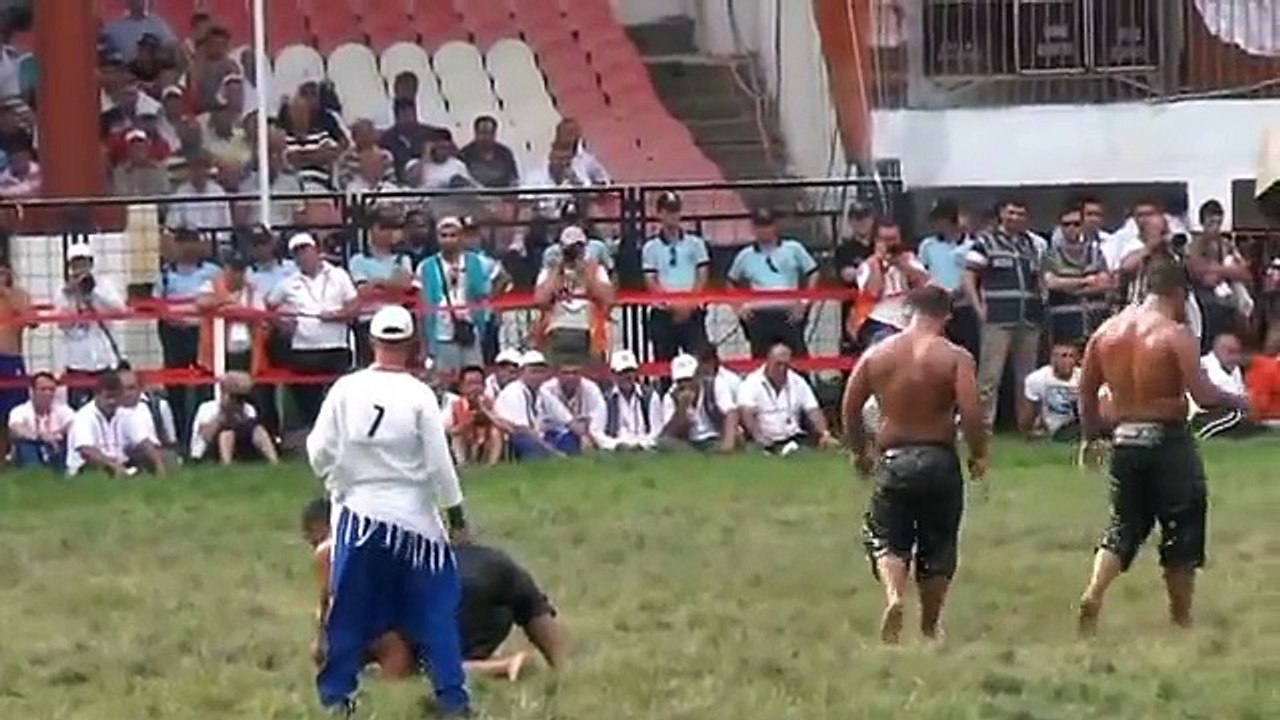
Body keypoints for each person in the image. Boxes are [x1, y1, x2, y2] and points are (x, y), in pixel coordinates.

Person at [305, 305, 472, 718]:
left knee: (349, 610)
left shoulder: (345, 390)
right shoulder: (419, 395)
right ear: (412, 344)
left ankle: (337, 697)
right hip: (414, 519)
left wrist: (338, 477)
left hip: (359, 516)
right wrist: (456, 516)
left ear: (373, 341)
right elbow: (439, 464)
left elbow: (318, 452)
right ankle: (452, 697)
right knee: (436, 609)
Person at [1075, 259, 1249, 637]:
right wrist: (1236, 401)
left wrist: (1092, 436)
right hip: (1167, 438)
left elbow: (1085, 392)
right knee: (1181, 527)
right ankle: (1181, 618)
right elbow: (1202, 394)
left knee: (1124, 524)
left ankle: (1095, 591)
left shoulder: (1106, 332)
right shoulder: (1175, 334)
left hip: (1125, 438)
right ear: (1180, 293)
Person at [840, 286, 987, 644]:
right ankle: (930, 625)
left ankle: (894, 596)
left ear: (907, 312)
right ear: (947, 316)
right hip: (938, 458)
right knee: (938, 545)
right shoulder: (955, 357)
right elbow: (970, 410)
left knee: (888, 537)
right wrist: (978, 453)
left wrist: (860, 450)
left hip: (894, 458)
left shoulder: (878, 354)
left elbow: (849, 406)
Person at [302, 498, 567, 682]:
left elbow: (392, 661)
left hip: (444, 597)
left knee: (421, 674)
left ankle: (503, 667)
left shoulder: (338, 556)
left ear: (322, 530)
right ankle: (564, 667)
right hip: (487, 563)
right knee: (526, 602)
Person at [737, 343, 838, 454]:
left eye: (786, 365)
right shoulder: (751, 383)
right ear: (768, 361)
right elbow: (746, 413)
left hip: (793, 436)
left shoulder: (797, 381)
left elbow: (813, 410)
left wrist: (824, 433)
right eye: (778, 364)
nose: (782, 369)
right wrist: (758, 436)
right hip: (765, 440)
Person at [66, 370, 167, 477]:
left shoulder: (124, 413)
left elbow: (143, 441)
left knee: (160, 456)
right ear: (97, 395)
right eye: (108, 397)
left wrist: (159, 465)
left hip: (120, 464)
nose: (112, 402)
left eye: (115, 397)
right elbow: (86, 450)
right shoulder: (84, 416)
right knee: (96, 469)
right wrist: (112, 465)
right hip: (88, 468)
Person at [189, 372, 279, 465]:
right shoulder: (207, 408)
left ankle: (274, 461)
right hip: (211, 450)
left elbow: (251, 432)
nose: (239, 402)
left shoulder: (248, 409)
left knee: (258, 429)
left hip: (241, 448)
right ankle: (227, 465)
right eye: (234, 397)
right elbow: (206, 437)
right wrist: (223, 414)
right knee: (227, 433)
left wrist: (241, 415)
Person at [1190, 333, 1258, 439]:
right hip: (1206, 413)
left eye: (1237, 352)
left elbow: (1239, 392)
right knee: (1237, 416)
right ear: (1217, 350)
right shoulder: (1204, 365)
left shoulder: (1234, 369)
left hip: (1229, 412)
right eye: (1230, 352)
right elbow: (1212, 396)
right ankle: (1201, 435)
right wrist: (1243, 402)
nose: (1235, 357)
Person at [7, 371, 75, 469]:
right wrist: (41, 437)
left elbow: (75, 426)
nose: (48, 393)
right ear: (32, 391)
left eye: (51, 390)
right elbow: (16, 428)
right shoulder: (20, 410)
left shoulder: (63, 410)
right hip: (31, 449)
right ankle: (34, 475)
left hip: (56, 449)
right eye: (43, 389)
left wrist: (58, 435)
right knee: (25, 444)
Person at [0, 257, 31, 460]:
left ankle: (17, 456)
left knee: (14, 411)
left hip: (11, 360)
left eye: (3, 273)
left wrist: (6, 293)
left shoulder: (19, 295)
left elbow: (31, 320)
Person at [1019, 342, 1082, 441]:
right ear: (1053, 359)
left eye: (1071, 356)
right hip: (1049, 426)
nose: (1067, 360)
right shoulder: (1038, 378)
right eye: (1063, 356)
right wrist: (1028, 431)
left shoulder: (1084, 378)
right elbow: (1029, 411)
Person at [447, 366, 504, 467]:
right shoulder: (454, 405)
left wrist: (485, 411)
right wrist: (469, 420)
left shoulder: (490, 402)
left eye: (478, 383)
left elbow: (503, 425)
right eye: (470, 384)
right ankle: (462, 464)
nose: (475, 388)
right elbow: (449, 430)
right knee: (457, 436)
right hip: (466, 442)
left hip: (486, 441)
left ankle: (492, 465)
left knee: (496, 431)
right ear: (461, 387)